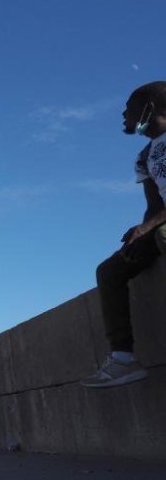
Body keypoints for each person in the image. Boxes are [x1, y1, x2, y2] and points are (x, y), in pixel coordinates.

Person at [82, 81, 166, 388]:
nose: (123, 113)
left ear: (149, 107)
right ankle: (123, 359)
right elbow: (155, 205)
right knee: (110, 270)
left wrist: (148, 228)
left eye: (129, 106)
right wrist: (142, 233)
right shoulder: (145, 156)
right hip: (159, 225)